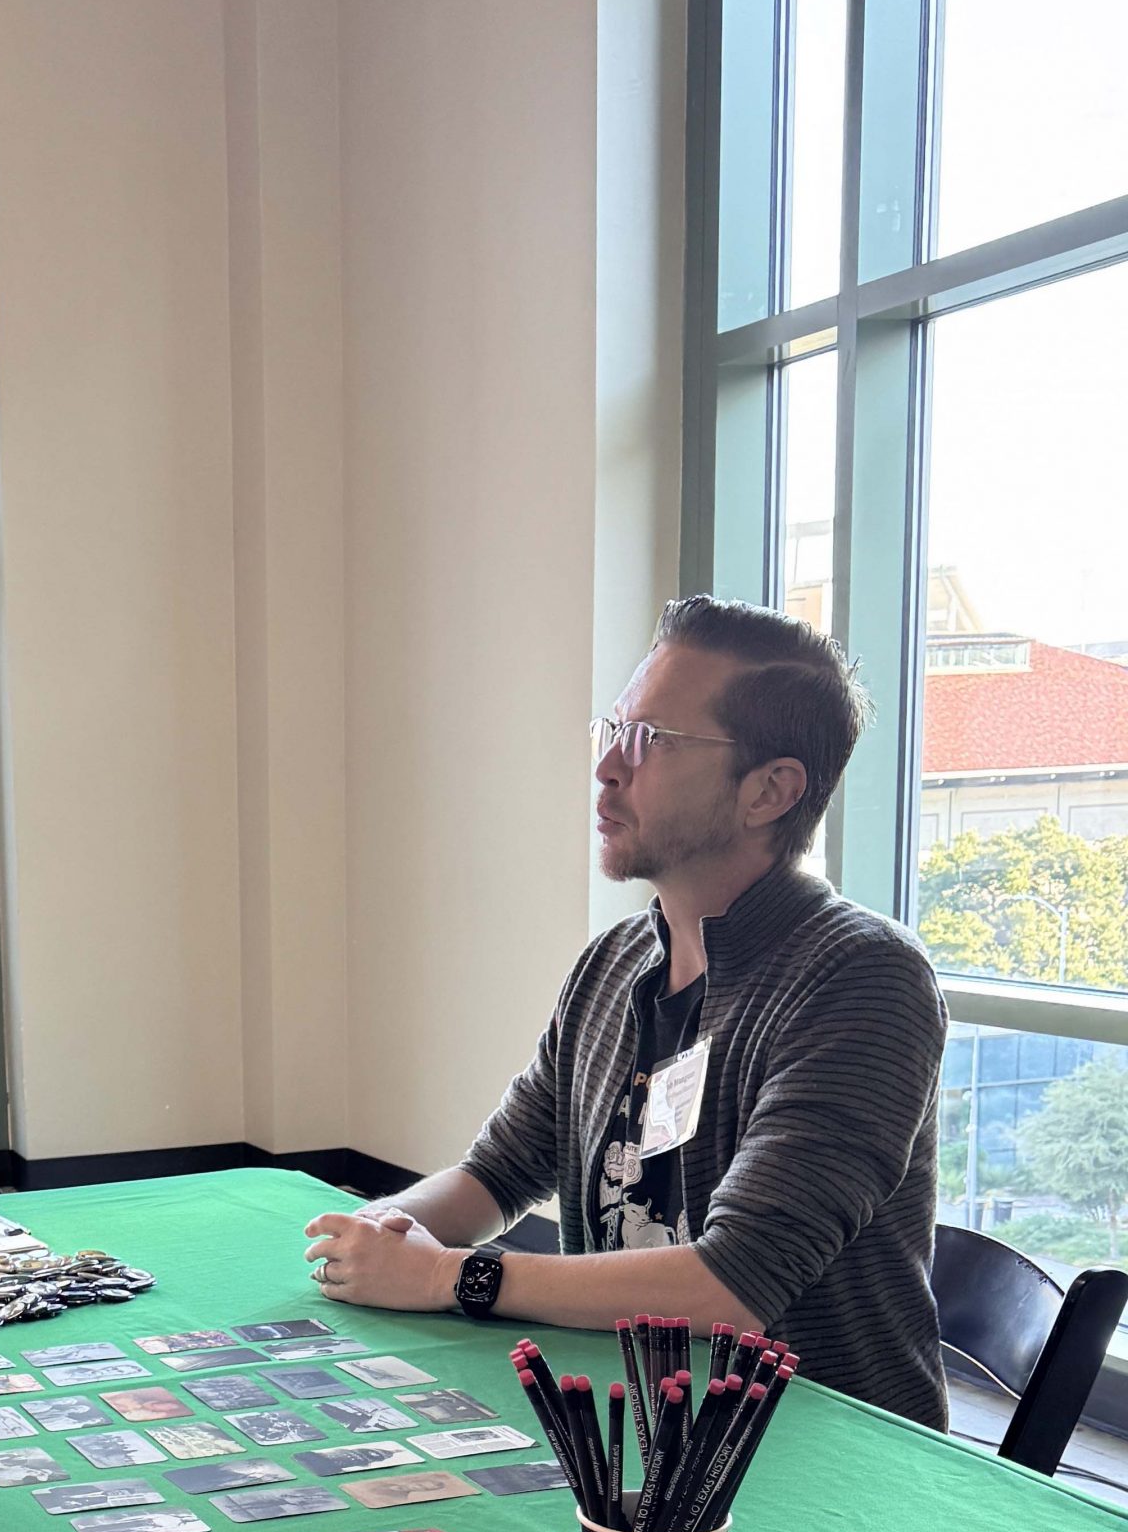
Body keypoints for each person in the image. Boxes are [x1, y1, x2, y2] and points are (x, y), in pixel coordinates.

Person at [305, 595, 949, 1428]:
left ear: (770, 792)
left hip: (820, 1449)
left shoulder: (865, 978)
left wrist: (443, 1278)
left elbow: (733, 1287)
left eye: (651, 742)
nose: (608, 768)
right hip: (635, 1419)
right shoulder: (615, 962)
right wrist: (360, 1241)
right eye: (612, 730)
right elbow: (493, 1178)